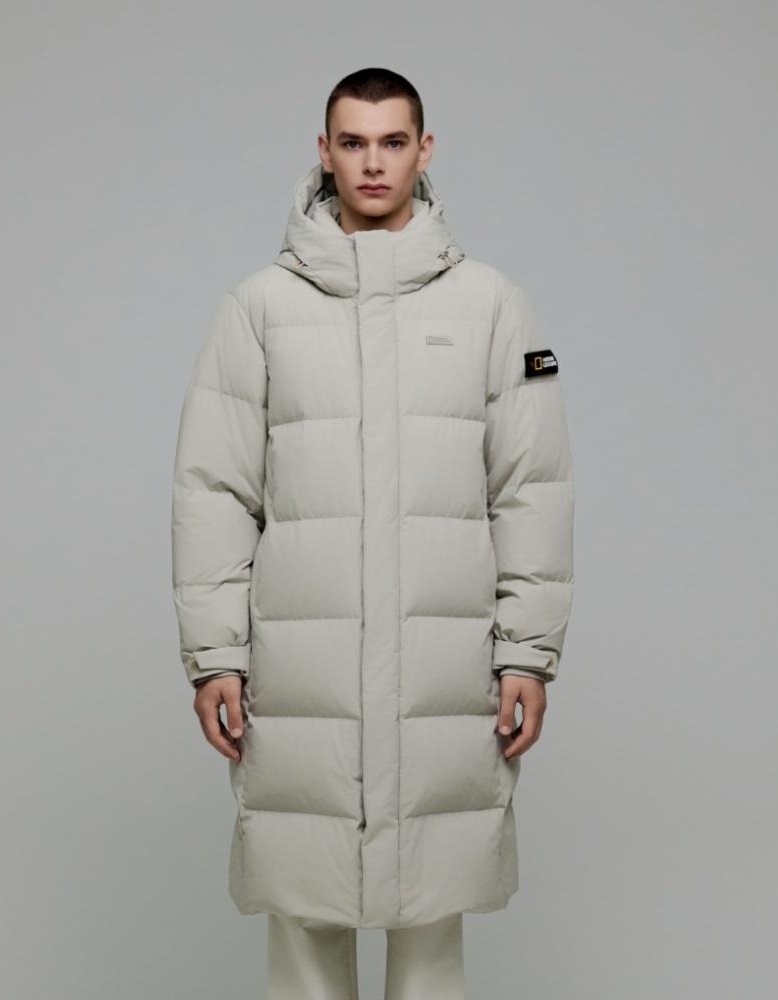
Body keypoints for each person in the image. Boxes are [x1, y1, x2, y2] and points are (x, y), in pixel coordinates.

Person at [171, 67, 575, 1000]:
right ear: (324, 152)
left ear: (425, 151)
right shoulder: (259, 308)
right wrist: (214, 655)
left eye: (393, 141)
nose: (373, 162)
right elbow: (214, 491)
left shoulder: (493, 306)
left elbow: (532, 490)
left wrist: (529, 652)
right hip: (299, 677)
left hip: (444, 675)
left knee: (432, 929)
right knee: (304, 929)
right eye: (353, 142)